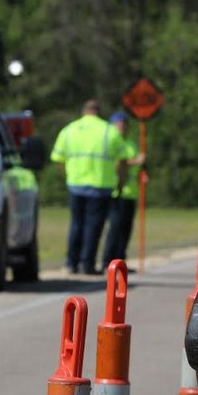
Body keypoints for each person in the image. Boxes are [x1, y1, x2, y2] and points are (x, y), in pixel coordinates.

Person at [50, 99, 127, 274]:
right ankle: (87, 263)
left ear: (84, 111)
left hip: (75, 184)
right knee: (94, 226)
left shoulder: (69, 130)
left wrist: (67, 177)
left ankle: (71, 262)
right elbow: (122, 161)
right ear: (99, 112)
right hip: (100, 185)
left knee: (76, 224)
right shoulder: (109, 131)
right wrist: (120, 183)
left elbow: (58, 159)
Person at [101, 111, 145, 267]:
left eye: (124, 124)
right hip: (117, 191)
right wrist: (135, 161)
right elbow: (118, 163)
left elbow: (137, 164)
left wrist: (142, 171)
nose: (121, 127)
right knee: (115, 229)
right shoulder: (112, 142)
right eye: (118, 124)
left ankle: (121, 262)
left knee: (126, 229)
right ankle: (108, 261)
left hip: (131, 192)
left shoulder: (131, 144)